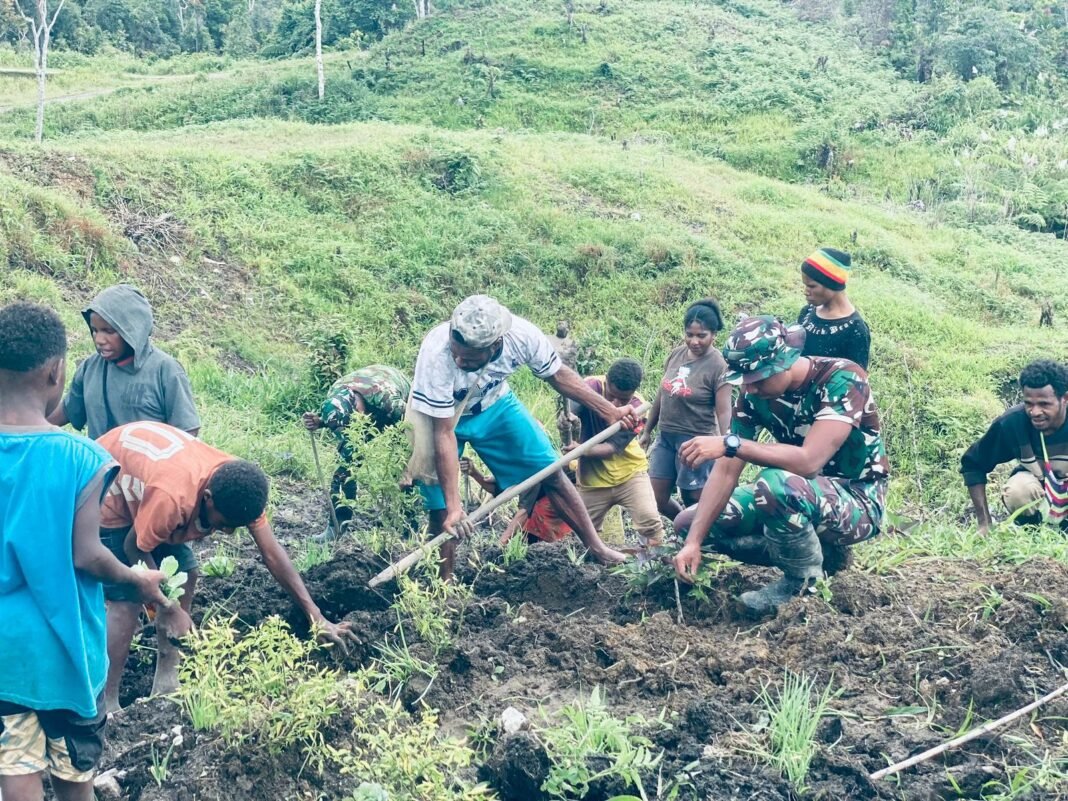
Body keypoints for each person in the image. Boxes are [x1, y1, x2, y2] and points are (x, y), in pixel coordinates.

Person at [0, 303, 188, 801]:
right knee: (72, 777)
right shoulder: (80, 457)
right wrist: (137, 579)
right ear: (57, 372)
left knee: (15, 772)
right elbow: (87, 555)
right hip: (64, 650)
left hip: (4, 651)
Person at [96, 421, 357, 712]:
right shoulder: (173, 497)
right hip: (112, 494)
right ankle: (106, 703)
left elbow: (272, 554)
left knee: (186, 572)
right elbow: (136, 547)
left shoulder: (241, 489)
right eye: (224, 525)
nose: (229, 533)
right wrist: (169, 608)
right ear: (207, 499)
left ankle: (167, 680)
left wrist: (315, 615)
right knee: (127, 599)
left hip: (153, 489)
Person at [672, 315, 890, 617]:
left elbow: (809, 462)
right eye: (744, 382)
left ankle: (802, 586)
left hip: (855, 501)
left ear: (787, 360)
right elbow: (725, 471)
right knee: (690, 523)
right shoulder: (753, 397)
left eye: (758, 379)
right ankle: (816, 556)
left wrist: (730, 444)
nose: (750, 389)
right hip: (801, 495)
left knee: (776, 484)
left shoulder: (842, 378)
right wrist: (693, 542)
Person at [410, 295, 636, 579]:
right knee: (440, 505)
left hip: (494, 405)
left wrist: (609, 412)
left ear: (494, 347)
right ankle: (444, 581)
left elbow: (557, 375)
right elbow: (444, 432)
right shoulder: (436, 352)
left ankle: (597, 548)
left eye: (467, 359)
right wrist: (456, 507)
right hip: (441, 417)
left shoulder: (522, 336)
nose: (458, 360)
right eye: (456, 353)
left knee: (550, 470)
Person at [46, 285, 200, 439]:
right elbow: (68, 411)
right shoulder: (90, 368)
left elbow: (187, 433)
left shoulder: (165, 370)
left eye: (109, 331)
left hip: (146, 463)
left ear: (132, 331)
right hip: (101, 462)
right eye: (95, 330)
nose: (99, 340)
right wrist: (27, 427)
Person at [640, 299, 732, 518]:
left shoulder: (719, 366)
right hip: (666, 438)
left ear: (714, 334)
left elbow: (724, 412)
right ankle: (682, 527)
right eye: (689, 334)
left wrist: (724, 446)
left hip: (696, 441)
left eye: (702, 335)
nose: (694, 341)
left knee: (693, 498)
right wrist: (647, 430)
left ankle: (697, 539)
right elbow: (663, 393)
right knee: (656, 498)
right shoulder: (676, 354)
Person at [302, 365, 411, 539]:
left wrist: (408, 469)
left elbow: (413, 428)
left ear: (357, 408)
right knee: (345, 466)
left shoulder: (387, 399)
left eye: (352, 423)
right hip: (367, 407)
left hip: (399, 414)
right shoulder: (335, 393)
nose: (351, 430)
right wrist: (319, 422)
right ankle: (337, 526)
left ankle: (408, 529)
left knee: (404, 473)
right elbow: (339, 419)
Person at [565, 358, 664, 549]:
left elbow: (612, 448)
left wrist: (582, 449)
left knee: (650, 522)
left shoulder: (637, 407)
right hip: (592, 480)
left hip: (630, 475)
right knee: (582, 536)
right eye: (611, 396)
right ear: (606, 380)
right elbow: (570, 412)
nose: (616, 404)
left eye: (623, 400)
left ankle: (654, 567)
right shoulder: (590, 387)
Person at [961, 360, 1068, 534]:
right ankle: (1032, 533)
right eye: (1029, 403)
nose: (1035, 412)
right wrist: (984, 522)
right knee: (1018, 490)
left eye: (1044, 404)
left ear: (1064, 399)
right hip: (1039, 492)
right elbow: (973, 464)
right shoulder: (1013, 423)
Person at [459, 458, 574, 545]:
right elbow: (497, 490)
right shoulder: (514, 466)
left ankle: (554, 547)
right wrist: (474, 472)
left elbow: (523, 513)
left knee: (539, 514)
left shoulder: (530, 467)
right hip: (542, 497)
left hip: (564, 498)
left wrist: (500, 544)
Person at [797, 248, 871, 370]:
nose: (805, 292)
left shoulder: (856, 331)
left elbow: (855, 380)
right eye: (805, 285)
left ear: (831, 284)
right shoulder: (807, 312)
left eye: (811, 286)